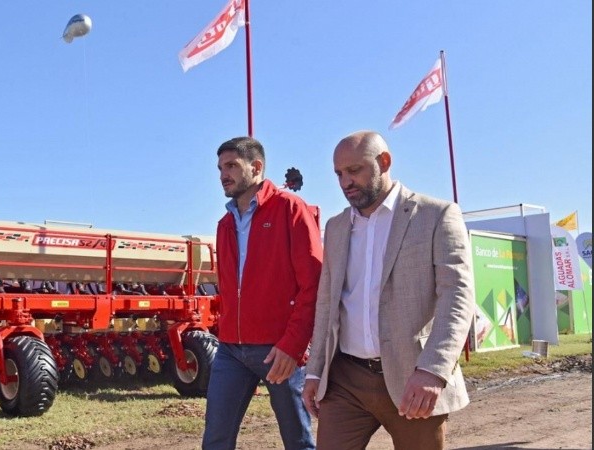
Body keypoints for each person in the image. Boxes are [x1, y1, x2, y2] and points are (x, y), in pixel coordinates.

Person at [303, 130, 475, 449]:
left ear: (384, 162)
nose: (345, 182)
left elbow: (458, 299)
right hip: (345, 381)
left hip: (414, 376)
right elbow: (326, 305)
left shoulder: (436, 215)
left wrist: (434, 371)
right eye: (339, 174)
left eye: (354, 170)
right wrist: (314, 372)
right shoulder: (337, 227)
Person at [203, 136, 323, 450]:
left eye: (231, 166)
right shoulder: (225, 224)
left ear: (256, 167)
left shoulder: (290, 209)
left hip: (279, 350)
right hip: (231, 349)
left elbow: (314, 283)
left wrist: (294, 345)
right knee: (215, 440)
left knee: (298, 441)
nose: (223, 175)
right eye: (220, 168)